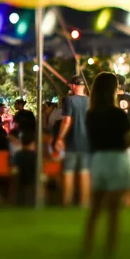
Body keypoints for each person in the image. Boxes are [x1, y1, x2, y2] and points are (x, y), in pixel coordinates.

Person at [82, 72, 130, 258]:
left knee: (95, 208)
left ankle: (88, 246)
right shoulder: (118, 114)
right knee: (113, 210)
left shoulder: (91, 114)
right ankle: (109, 250)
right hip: (117, 160)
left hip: (98, 160)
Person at [56, 76, 92, 207]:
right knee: (85, 172)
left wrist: (60, 137)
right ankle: (84, 203)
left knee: (68, 171)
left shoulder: (69, 100)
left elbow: (67, 121)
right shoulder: (91, 101)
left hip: (72, 141)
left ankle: (67, 202)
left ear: (74, 86)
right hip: (87, 142)